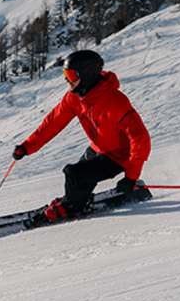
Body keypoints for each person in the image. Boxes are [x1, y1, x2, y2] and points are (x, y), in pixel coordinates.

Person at [12, 49, 152, 224]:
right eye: (65, 75)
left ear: (86, 75)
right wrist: (27, 146)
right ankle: (74, 200)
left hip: (119, 156)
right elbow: (53, 122)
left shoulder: (115, 101)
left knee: (74, 174)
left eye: (70, 75)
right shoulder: (75, 98)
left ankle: (70, 208)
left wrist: (131, 175)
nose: (67, 81)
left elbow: (140, 138)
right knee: (78, 178)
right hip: (98, 148)